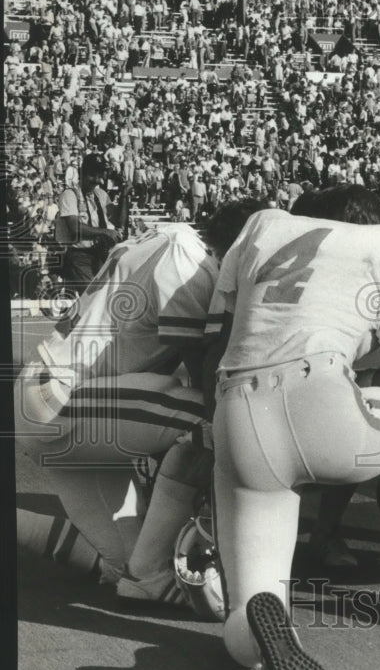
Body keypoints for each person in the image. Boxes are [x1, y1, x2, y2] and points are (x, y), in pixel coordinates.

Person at [203, 184, 380, 670]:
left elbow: (219, 339)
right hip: (320, 394)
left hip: (238, 410)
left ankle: (266, 629)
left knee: (251, 602)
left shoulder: (264, 232)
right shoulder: (376, 250)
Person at [15, 199, 266, 603]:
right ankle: (178, 563)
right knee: (217, 420)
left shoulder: (174, 240)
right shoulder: (190, 260)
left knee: (128, 569)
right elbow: (203, 371)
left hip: (58, 406)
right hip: (64, 399)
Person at [54, 153, 129, 289]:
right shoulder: (69, 195)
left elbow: (119, 223)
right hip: (79, 256)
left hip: (101, 254)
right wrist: (105, 232)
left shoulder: (101, 195)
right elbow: (75, 229)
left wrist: (124, 196)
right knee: (92, 296)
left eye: (100, 176)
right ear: (82, 173)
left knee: (108, 294)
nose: (97, 180)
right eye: (92, 175)